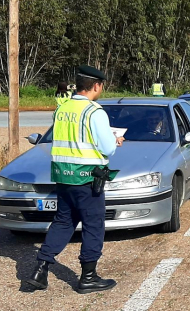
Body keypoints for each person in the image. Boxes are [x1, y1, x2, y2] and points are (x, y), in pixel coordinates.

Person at [26, 65, 125, 293]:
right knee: (93, 225)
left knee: (63, 221)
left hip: (63, 176)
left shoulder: (61, 110)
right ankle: (88, 277)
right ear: (97, 86)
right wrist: (116, 141)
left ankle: (40, 270)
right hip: (88, 179)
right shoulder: (94, 112)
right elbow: (107, 149)